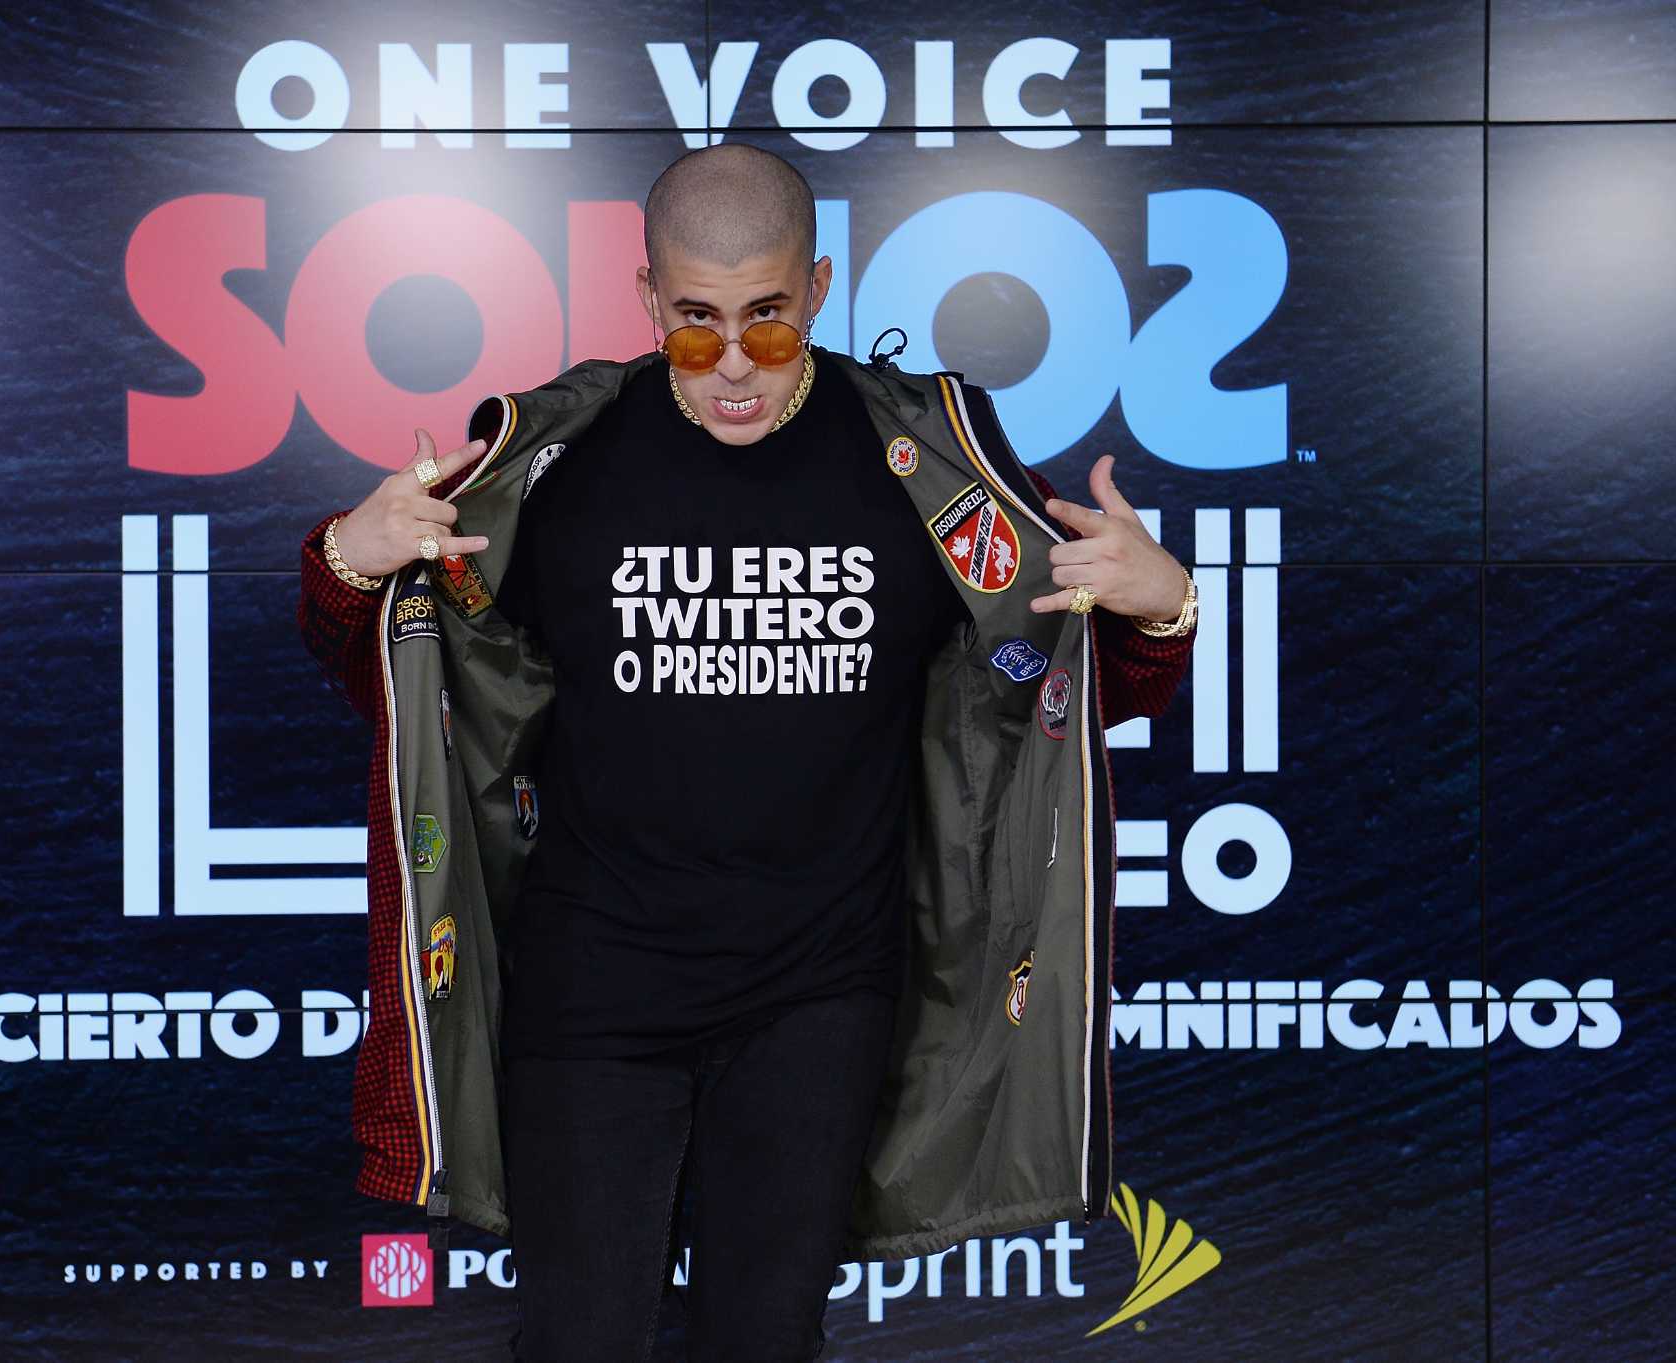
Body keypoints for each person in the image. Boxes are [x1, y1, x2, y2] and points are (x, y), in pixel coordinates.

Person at [298, 144, 1197, 1361]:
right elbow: (402, 689)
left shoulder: (927, 459)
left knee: (762, 1343)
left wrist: (1158, 606)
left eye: (767, 320)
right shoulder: (554, 462)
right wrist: (350, 557)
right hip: (596, 983)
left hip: (817, 993)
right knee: (578, 1342)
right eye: (696, 322)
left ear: (818, 288)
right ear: (646, 297)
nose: (732, 365)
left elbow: (1058, 689)